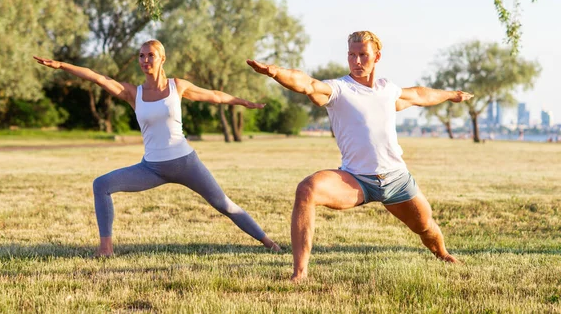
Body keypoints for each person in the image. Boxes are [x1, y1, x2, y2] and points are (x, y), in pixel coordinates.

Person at [247, 30, 473, 281]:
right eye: (351, 55)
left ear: (377, 57)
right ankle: (300, 273)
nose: (356, 61)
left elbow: (421, 95)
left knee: (425, 227)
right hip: (355, 180)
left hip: (396, 179)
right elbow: (307, 83)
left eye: (363, 55)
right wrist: (275, 72)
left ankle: (443, 254)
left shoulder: (388, 90)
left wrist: (453, 95)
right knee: (307, 190)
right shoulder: (338, 89)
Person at [34, 39, 281, 256]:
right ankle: (105, 249)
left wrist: (242, 102)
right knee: (101, 185)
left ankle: (268, 242)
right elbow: (97, 77)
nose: (144, 60)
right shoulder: (133, 93)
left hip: (186, 163)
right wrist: (61, 65)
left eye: (150, 55)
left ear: (162, 58)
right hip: (151, 168)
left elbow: (215, 95)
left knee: (223, 204)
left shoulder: (177, 86)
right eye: (141, 56)